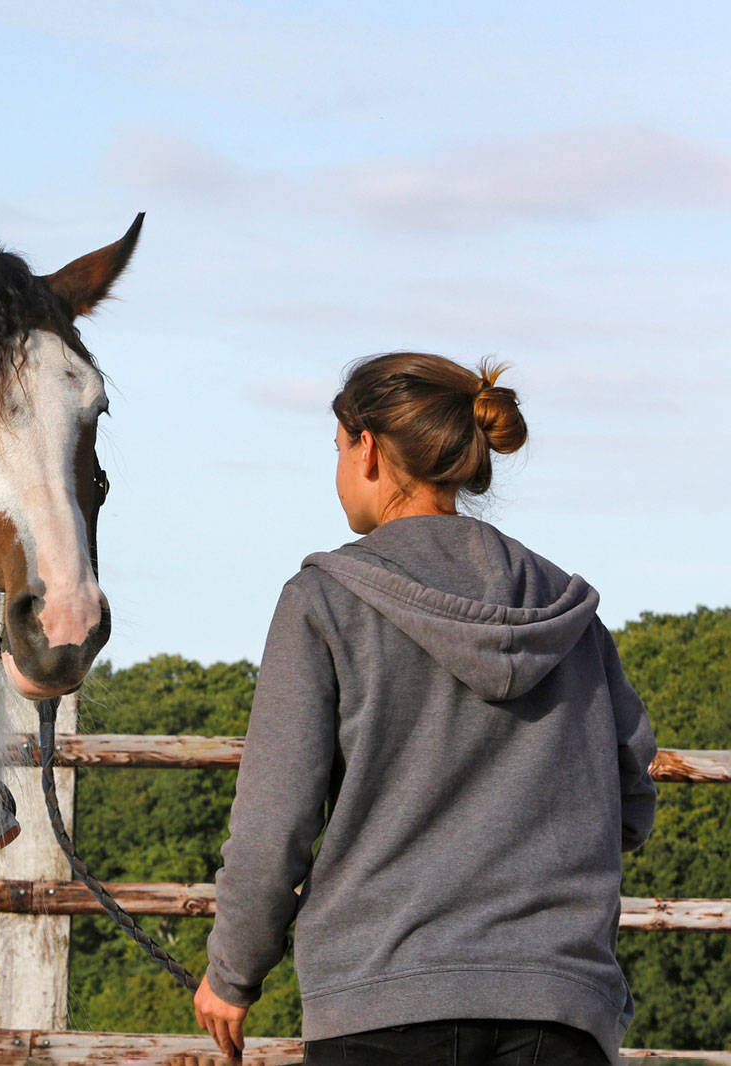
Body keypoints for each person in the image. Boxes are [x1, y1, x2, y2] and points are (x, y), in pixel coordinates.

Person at [191, 353, 657, 1065]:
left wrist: (232, 974)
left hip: (380, 1006)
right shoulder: (570, 614)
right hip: (560, 1010)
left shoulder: (325, 600)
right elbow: (631, 801)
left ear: (368, 449)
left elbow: (271, 825)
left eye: (339, 448)